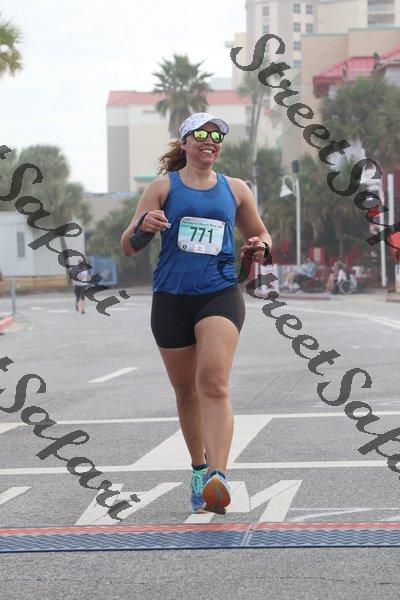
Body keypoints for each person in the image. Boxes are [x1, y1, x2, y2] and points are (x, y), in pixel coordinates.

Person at [121, 112, 272, 515]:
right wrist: (144, 227)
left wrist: (260, 246)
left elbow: (260, 233)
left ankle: (218, 474)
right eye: (201, 134)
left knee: (214, 384)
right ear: (185, 142)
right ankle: (198, 468)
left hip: (219, 293)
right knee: (187, 391)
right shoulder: (162, 187)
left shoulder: (235, 189)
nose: (210, 141)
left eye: (217, 136)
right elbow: (128, 245)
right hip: (170, 299)